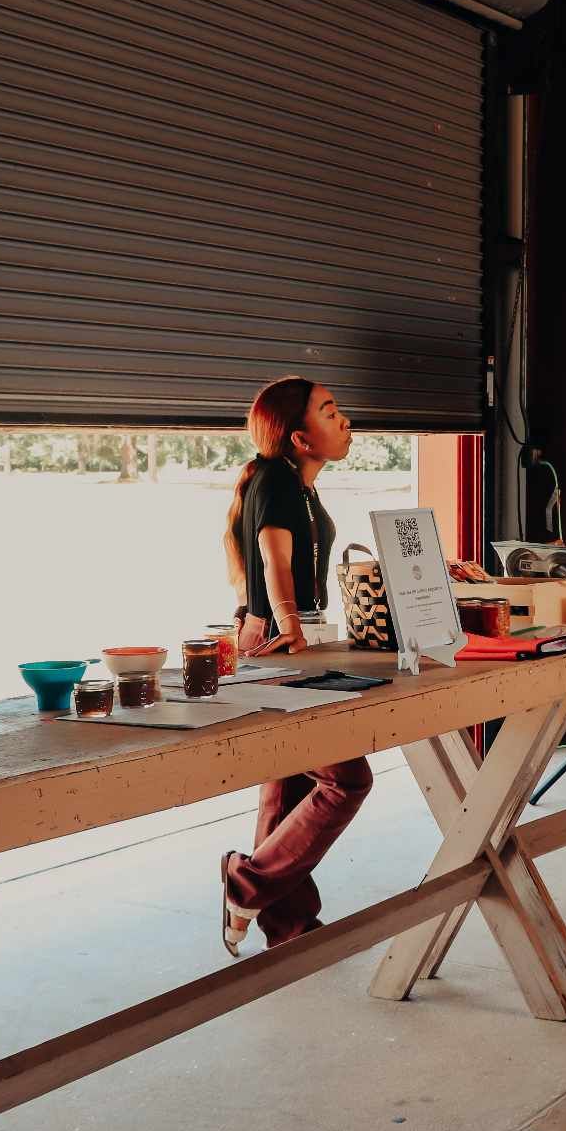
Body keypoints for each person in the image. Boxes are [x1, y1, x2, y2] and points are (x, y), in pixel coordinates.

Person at [217, 375, 369, 956]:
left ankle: (290, 930)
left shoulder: (296, 483)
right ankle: (246, 882)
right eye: (331, 412)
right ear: (302, 438)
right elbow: (272, 555)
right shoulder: (278, 478)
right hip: (279, 648)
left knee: (290, 781)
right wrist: (289, 626)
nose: (345, 420)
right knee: (345, 778)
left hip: (285, 642)